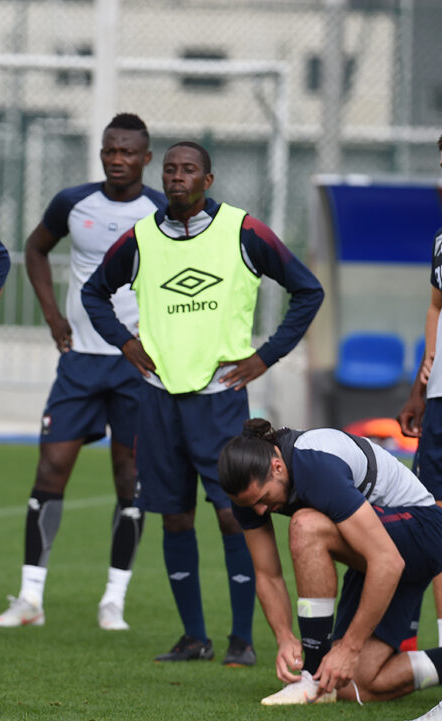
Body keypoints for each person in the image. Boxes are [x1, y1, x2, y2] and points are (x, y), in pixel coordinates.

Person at [81, 141, 324, 665]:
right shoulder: (142, 237)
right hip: (159, 399)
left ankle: (242, 639)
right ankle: (194, 637)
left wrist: (266, 356)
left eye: (188, 170)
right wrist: (126, 343)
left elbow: (308, 290)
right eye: (169, 169)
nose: (177, 177)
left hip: (221, 401)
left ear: (207, 180)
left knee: (235, 516)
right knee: (173, 518)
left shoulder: (243, 231)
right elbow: (93, 292)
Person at [0, 113, 162, 632]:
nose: (117, 159)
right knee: (49, 470)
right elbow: (36, 249)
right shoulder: (72, 202)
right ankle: (30, 599)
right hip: (79, 362)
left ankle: (114, 600)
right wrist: (51, 314)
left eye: (128, 151)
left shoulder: (160, 211)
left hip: (136, 366)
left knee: (130, 480)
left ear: (145, 159)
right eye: (110, 150)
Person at [219, 418, 442, 705]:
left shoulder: (313, 464)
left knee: (306, 525)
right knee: (347, 684)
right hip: (374, 547)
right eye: (251, 505)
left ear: (277, 467)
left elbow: (387, 561)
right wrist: (285, 637)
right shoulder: (250, 496)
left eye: (263, 499)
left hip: (423, 533)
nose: (260, 511)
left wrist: (349, 648)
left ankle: (309, 677)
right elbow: (268, 575)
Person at [396, 132, 442, 647]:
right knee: (435, 529)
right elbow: (437, 308)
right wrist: (420, 385)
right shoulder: (441, 237)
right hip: (440, 404)